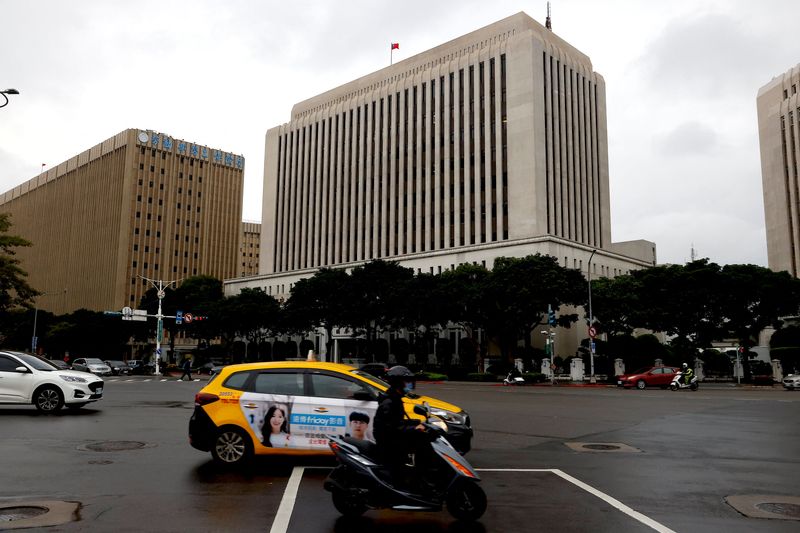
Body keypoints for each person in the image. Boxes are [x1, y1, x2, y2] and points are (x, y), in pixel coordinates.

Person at [373, 366, 431, 489]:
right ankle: (410, 483)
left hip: (392, 437)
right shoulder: (389, 403)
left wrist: (418, 423)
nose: (410, 384)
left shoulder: (396, 399)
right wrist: (414, 428)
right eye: (407, 381)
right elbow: (392, 428)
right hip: (388, 443)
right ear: (397, 382)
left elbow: (398, 422)